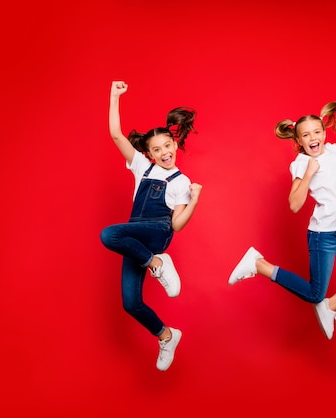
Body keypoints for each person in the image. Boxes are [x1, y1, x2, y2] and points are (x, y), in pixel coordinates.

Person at [228, 71, 336, 340]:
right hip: (322, 236)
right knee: (314, 293)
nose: (312, 137)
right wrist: (310, 173)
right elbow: (293, 204)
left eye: (316, 132)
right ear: (298, 141)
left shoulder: (333, 151)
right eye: (305, 135)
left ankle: (332, 304)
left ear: (324, 134)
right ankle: (259, 264)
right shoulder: (301, 163)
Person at [100, 80, 202, 370]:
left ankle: (156, 262)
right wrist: (114, 97)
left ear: (175, 145)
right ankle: (167, 336)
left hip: (157, 232)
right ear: (150, 155)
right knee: (130, 304)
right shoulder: (143, 168)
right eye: (157, 149)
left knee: (109, 234)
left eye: (167, 145)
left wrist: (194, 200)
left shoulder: (181, 181)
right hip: (135, 235)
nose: (165, 152)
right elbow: (116, 135)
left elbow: (178, 224)